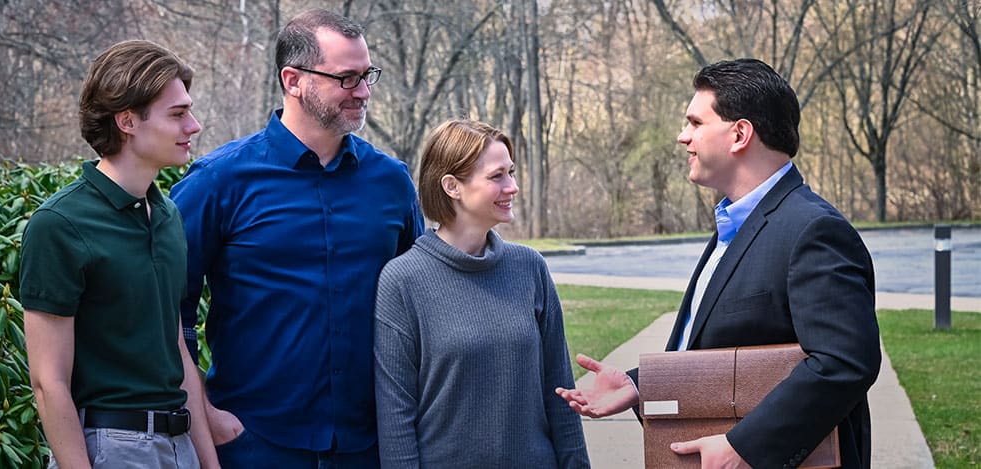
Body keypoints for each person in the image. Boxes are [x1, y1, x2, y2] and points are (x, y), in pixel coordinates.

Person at [555, 58, 881, 469]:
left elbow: (844, 362)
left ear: (740, 134)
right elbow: (729, 351)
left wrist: (746, 448)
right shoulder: (734, 223)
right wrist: (641, 386)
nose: (682, 137)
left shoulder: (813, 230)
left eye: (695, 123)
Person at [169, 9, 423, 467]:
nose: (363, 92)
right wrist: (204, 412)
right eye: (346, 78)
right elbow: (165, 309)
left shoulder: (392, 182)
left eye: (367, 76)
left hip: (372, 445)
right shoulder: (218, 182)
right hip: (254, 443)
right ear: (294, 79)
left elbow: (422, 303)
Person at [20, 40, 218, 468]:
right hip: (111, 449)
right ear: (127, 121)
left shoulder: (168, 216)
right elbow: (47, 382)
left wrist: (207, 461)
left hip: (179, 445)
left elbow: (175, 349)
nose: (195, 126)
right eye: (178, 114)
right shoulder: (60, 224)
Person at [373, 119, 590, 468]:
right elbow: (396, 418)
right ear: (452, 186)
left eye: (512, 172)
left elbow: (560, 393)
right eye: (497, 176)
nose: (513, 187)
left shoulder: (530, 267)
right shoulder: (402, 280)